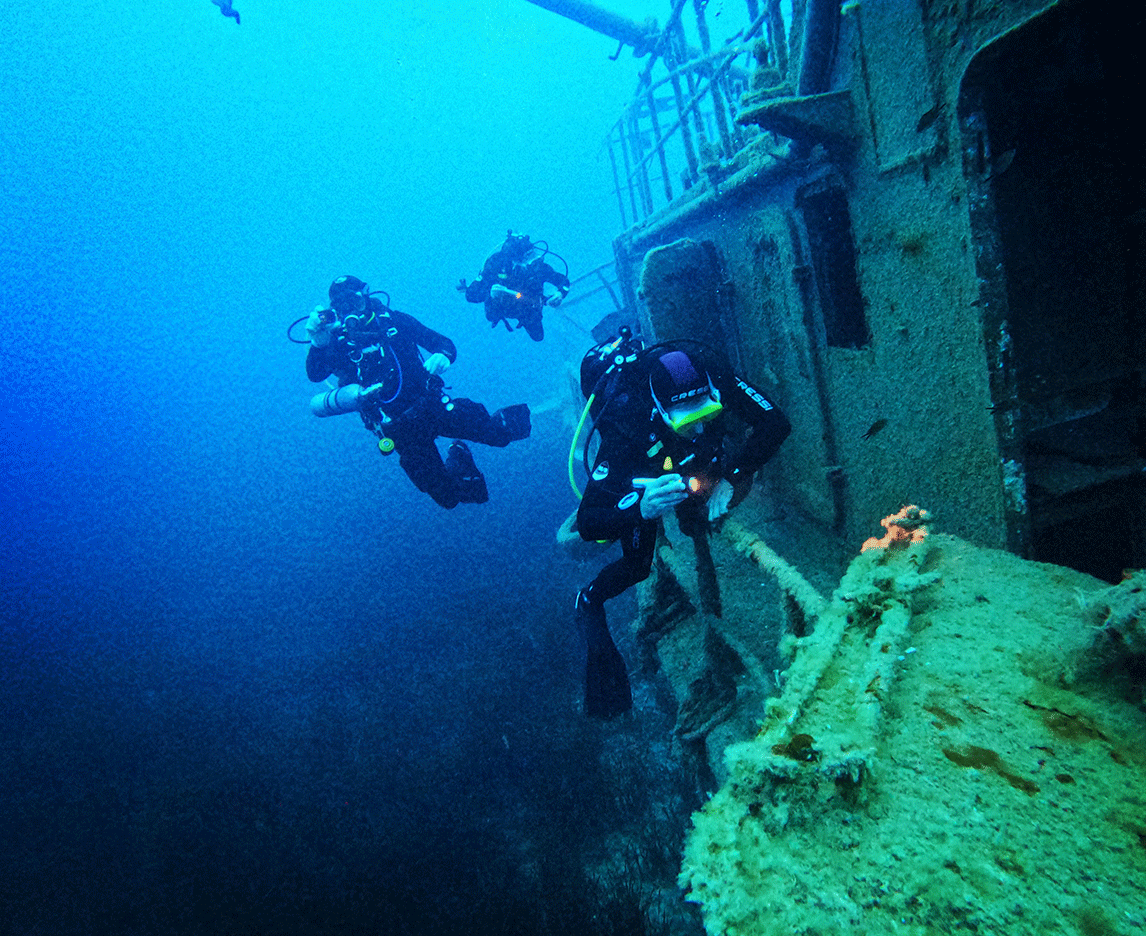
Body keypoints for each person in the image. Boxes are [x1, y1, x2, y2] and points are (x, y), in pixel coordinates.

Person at [572, 332, 791, 717]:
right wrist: (641, 509)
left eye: (708, 415)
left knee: (695, 514)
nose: (700, 428)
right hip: (647, 477)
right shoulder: (627, 429)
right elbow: (589, 523)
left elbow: (775, 423)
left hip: (691, 468)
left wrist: (732, 476)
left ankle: (692, 505)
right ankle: (588, 600)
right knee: (639, 566)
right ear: (658, 409)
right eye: (689, 421)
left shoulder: (716, 377)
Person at [304, 275, 531, 508]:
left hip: (431, 405)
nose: (349, 309)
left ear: (366, 296)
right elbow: (315, 374)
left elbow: (442, 342)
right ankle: (459, 457)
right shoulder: (337, 343)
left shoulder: (395, 322)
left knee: (500, 435)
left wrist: (443, 355)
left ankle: (512, 417)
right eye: (341, 305)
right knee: (448, 498)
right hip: (397, 428)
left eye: (353, 300)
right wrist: (318, 343)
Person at [458, 231, 570, 342]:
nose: (531, 261)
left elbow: (563, 281)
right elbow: (471, 295)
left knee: (538, 336)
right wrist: (490, 293)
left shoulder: (538, 267)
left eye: (532, 255)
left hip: (528, 308)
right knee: (491, 312)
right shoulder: (496, 263)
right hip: (501, 307)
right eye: (527, 257)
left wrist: (560, 293)